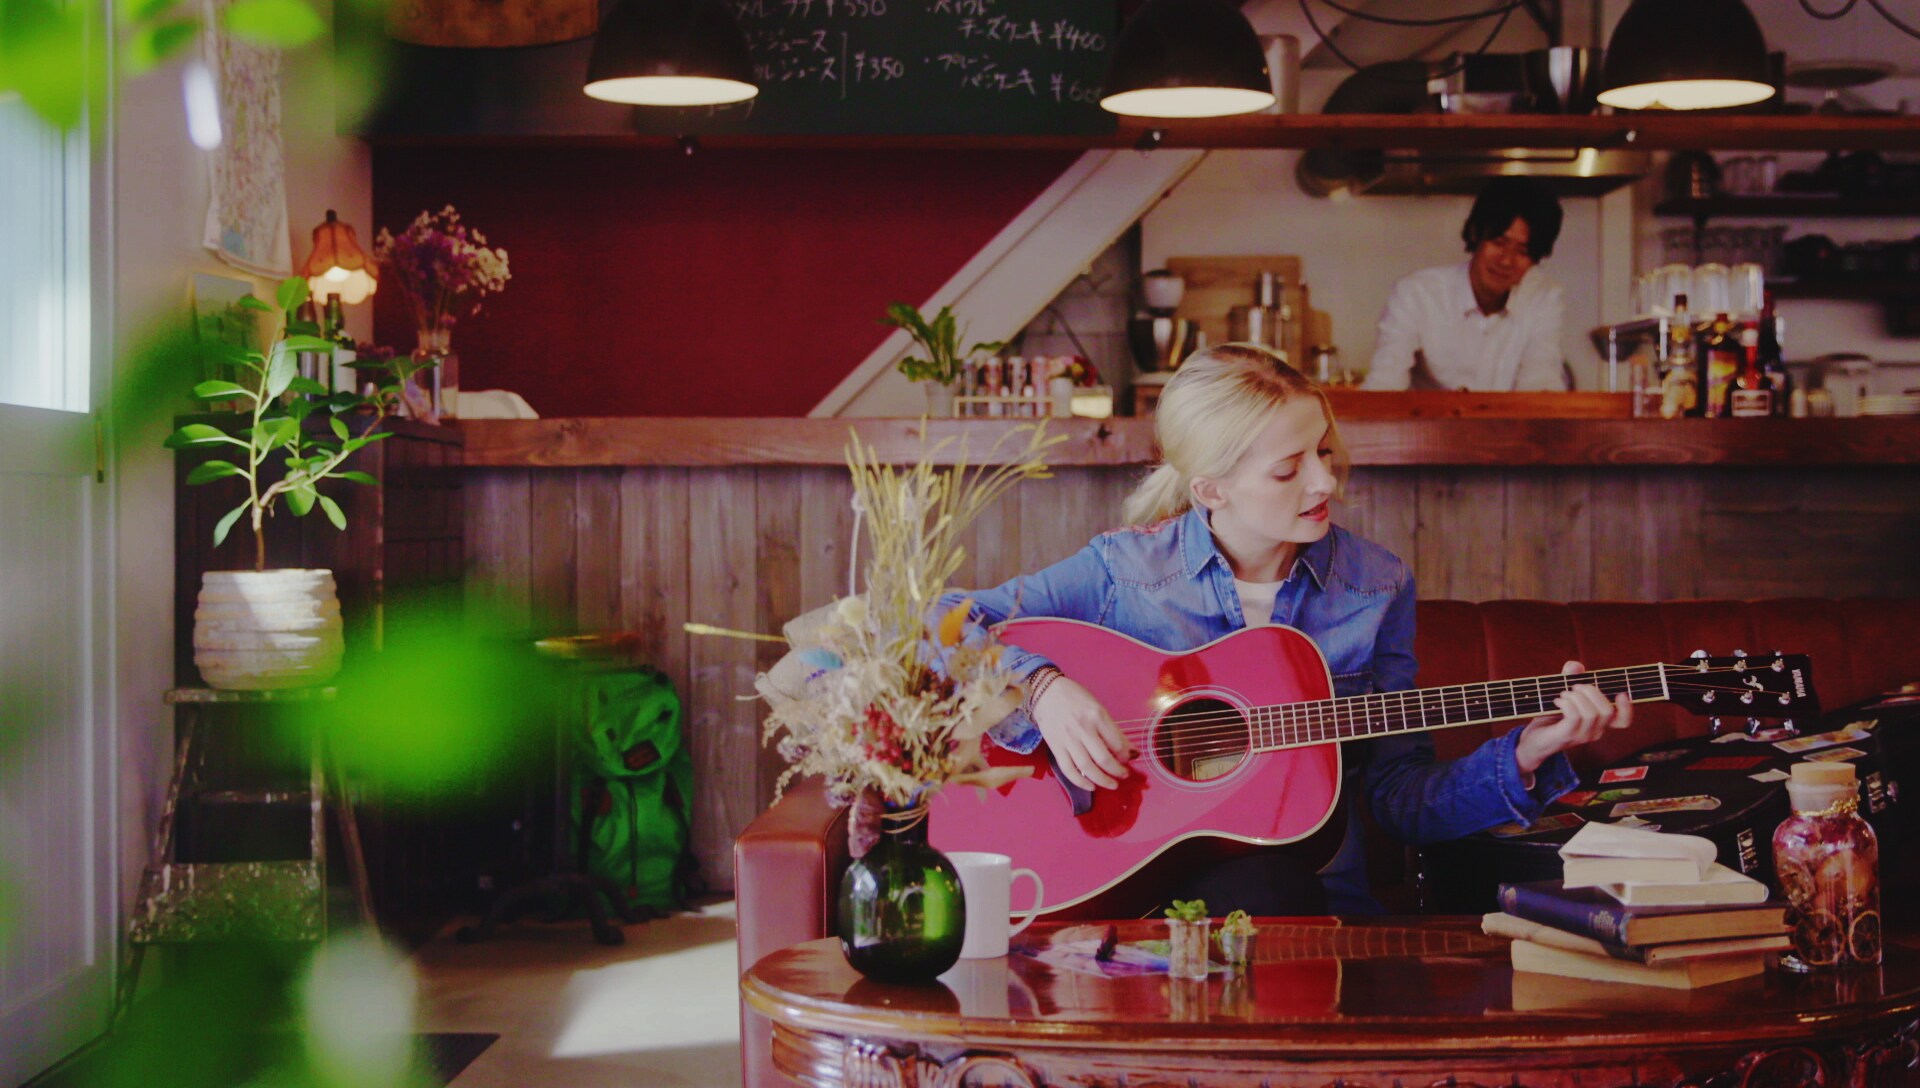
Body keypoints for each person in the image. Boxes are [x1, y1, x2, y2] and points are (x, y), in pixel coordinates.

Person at [944, 344, 1631, 914]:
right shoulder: (1125, 571)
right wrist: (1042, 691)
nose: (1324, 482)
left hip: (1309, 897)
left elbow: (1399, 801)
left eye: (1323, 452)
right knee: (1263, 889)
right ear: (1211, 490)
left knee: (1269, 886)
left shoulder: (1375, 586)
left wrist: (1528, 753)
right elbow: (937, 624)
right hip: (1125, 883)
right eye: (1288, 469)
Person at [1363, 176, 1569, 392]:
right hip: (1428, 416)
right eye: (1499, 242)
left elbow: (1540, 382)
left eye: (1523, 251)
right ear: (1475, 233)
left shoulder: (1544, 298)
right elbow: (1385, 383)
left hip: (1511, 416)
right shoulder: (1417, 294)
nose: (1506, 261)